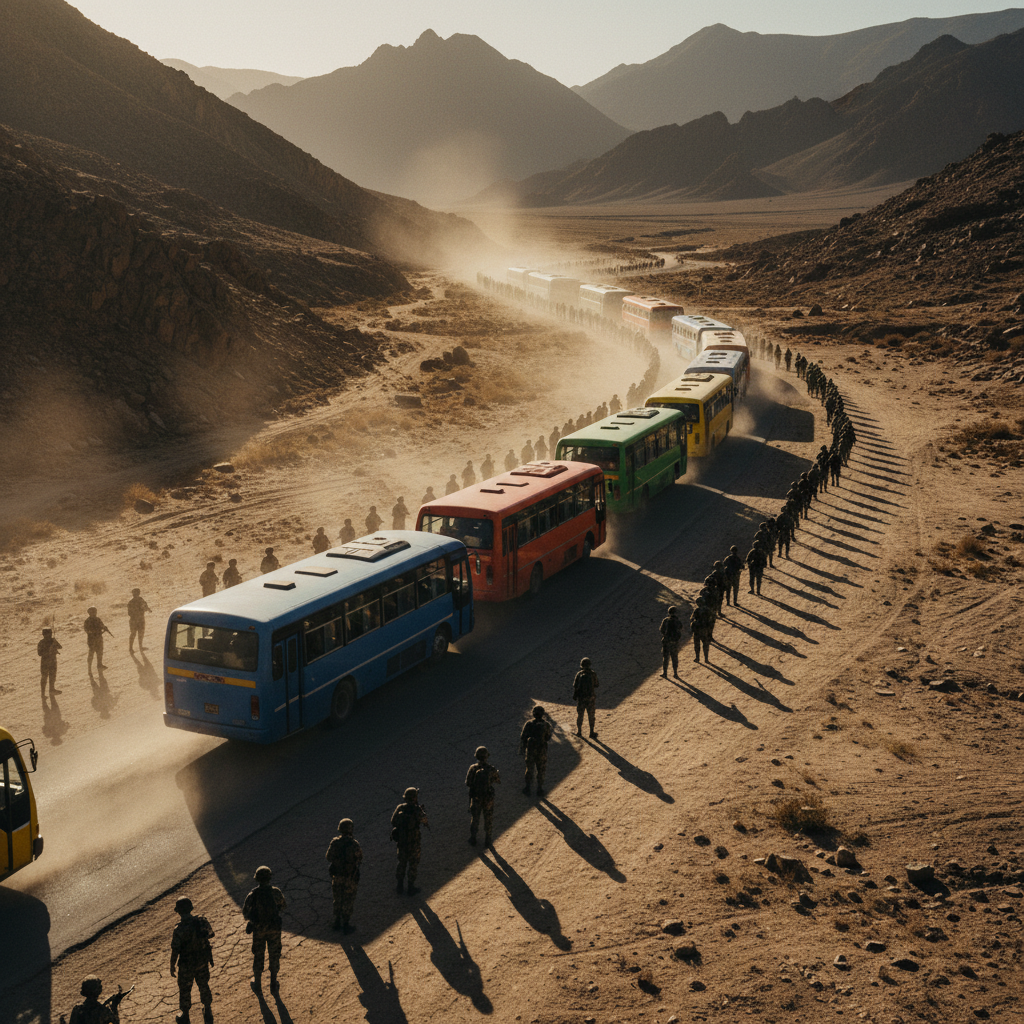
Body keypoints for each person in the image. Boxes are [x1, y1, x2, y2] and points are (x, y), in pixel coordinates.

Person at [170, 896, 215, 1024]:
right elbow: (211, 934)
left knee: (185, 990)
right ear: (191, 908)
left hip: (186, 965)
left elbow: (175, 950)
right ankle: (207, 1010)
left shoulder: (178, 929)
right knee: (204, 985)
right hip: (202, 961)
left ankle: (185, 1015)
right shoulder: (202, 921)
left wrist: (172, 965)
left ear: (178, 912)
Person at [242, 866, 286, 995]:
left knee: (258, 955)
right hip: (274, 929)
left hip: (259, 930)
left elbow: (245, 913)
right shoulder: (276, 892)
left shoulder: (252, 895)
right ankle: (273, 983)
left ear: (256, 879)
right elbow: (283, 906)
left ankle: (258, 984)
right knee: (274, 954)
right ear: (270, 877)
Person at [325, 818, 362, 933]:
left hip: (337, 876)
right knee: (348, 899)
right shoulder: (354, 844)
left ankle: (337, 921)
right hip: (349, 877)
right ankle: (346, 924)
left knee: (338, 898)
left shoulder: (335, 842)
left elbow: (328, 857)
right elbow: (360, 858)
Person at [391, 787, 428, 895]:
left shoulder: (400, 808)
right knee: (413, 864)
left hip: (402, 841)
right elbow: (424, 820)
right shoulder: (417, 810)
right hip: (414, 842)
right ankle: (410, 887)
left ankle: (399, 886)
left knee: (401, 863)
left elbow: (393, 821)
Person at [465, 746, 500, 847]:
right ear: (486, 756)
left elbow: (468, 783)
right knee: (488, 818)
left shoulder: (473, 768)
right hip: (488, 798)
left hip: (476, 798)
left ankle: (473, 838)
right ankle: (488, 840)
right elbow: (497, 780)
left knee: (475, 819)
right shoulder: (491, 769)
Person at [519, 706, 552, 797]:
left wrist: (523, 748)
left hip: (530, 750)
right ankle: (539, 788)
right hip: (541, 751)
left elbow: (523, 737)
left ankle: (528, 787)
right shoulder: (546, 725)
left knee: (529, 769)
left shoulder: (529, 724)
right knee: (541, 770)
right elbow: (548, 737)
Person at [573, 657, 599, 738]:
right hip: (591, 698)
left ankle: (579, 732)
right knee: (591, 716)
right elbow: (596, 684)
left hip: (581, 699)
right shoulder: (593, 673)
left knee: (580, 715)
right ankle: (591, 732)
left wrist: (575, 695)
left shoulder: (579, 674)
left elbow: (575, 686)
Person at [84, 607, 112, 674]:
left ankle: (99, 665)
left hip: (99, 638)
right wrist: (94, 632)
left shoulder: (98, 619)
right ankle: (89, 669)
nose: (94, 613)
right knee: (91, 653)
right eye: (93, 612)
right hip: (92, 640)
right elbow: (87, 630)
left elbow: (102, 625)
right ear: (89, 613)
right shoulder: (87, 621)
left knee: (100, 652)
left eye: (95, 612)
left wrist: (104, 628)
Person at [38, 627, 62, 700]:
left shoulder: (52, 640)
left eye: (50, 634)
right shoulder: (41, 643)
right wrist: (49, 650)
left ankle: (52, 689)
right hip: (45, 662)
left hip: (52, 661)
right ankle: (43, 694)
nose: (50, 635)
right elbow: (39, 653)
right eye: (49, 634)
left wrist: (55, 643)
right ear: (44, 635)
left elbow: (60, 647)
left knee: (52, 676)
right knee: (44, 677)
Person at [689, 596, 715, 664]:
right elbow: (711, 620)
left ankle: (697, 658)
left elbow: (692, 619)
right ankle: (706, 659)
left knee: (697, 645)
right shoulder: (708, 610)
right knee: (705, 645)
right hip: (705, 629)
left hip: (697, 629)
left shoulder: (697, 610)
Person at [659, 606, 682, 678]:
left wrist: (666, 635)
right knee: (674, 658)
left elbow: (661, 630)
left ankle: (665, 673)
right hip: (674, 642)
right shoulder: (677, 621)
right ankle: (675, 673)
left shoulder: (665, 620)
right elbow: (680, 628)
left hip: (666, 641)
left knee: (665, 658)